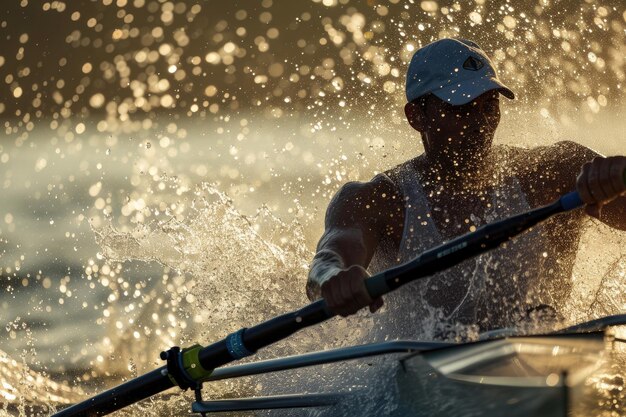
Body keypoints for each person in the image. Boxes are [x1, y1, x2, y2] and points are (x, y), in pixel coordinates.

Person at [306, 38, 626, 338]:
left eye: (488, 106)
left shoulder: (558, 171)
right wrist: (334, 278)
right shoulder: (377, 199)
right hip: (418, 372)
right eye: (461, 108)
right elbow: (329, 258)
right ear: (416, 116)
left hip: (547, 357)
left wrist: (618, 178)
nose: (480, 122)